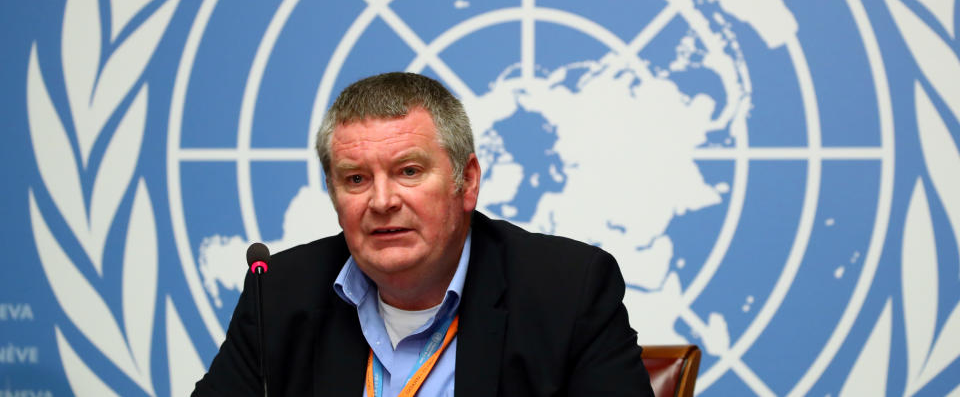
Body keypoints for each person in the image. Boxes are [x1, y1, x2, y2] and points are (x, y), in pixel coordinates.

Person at [193, 72, 654, 396]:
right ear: (334, 196)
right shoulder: (278, 293)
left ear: (466, 180)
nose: (381, 201)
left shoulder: (565, 291)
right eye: (355, 179)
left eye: (408, 171)